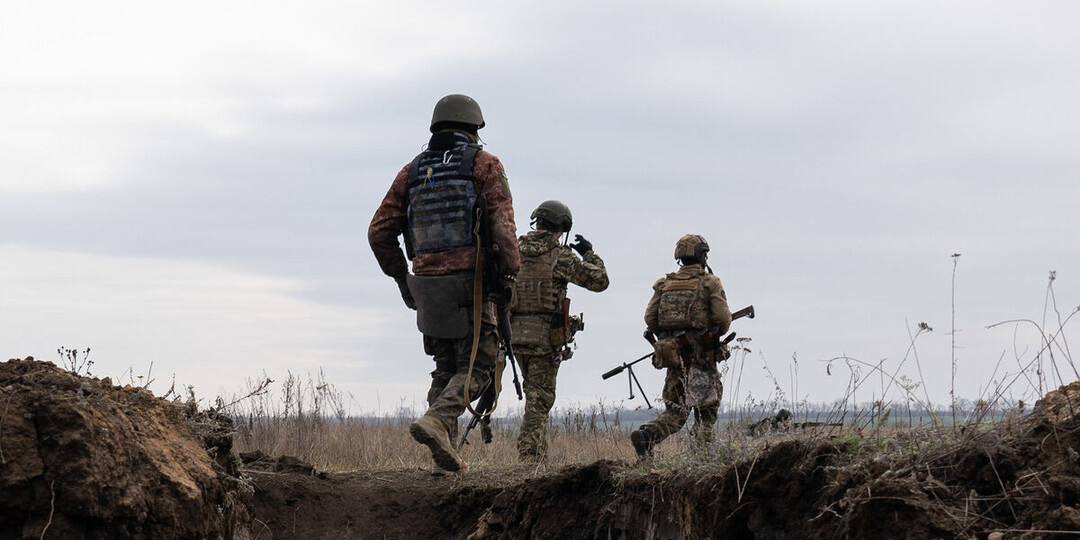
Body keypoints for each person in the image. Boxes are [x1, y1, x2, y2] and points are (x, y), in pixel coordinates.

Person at [368, 94, 519, 472]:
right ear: (473, 129)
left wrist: (403, 280)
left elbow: (379, 232)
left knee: (446, 368)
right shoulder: (485, 164)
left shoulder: (411, 172)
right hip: (471, 287)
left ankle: (444, 458)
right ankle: (436, 421)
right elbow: (503, 227)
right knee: (479, 367)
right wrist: (509, 274)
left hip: (427, 288)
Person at [510, 200, 609, 461]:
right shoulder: (560, 256)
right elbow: (600, 281)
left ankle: (538, 458)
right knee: (540, 399)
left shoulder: (514, 251)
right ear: (561, 227)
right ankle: (529, 456)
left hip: (515, 336)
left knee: (534, 395)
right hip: (544, 338)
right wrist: (589, 253)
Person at [631, 234, 731, 457]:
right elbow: (723, 320)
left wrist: (670, 338)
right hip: (702, 359)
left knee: (676, 411)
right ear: (703, 255)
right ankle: (701, 458)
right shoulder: (710, 283)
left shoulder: (664, 284)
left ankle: (647, 435)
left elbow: (650, 319)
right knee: (706, 412)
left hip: (674, 358)